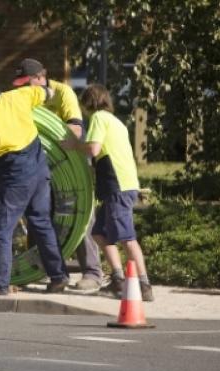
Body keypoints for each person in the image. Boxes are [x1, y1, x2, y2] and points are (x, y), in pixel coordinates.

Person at [0, 77, 70, 295]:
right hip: (40, 168)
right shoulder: (19, 95)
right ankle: (58, 276)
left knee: (1, 228)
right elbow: (47, 93)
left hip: (15, 174)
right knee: (41, 222)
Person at [12, 58, 104, 292]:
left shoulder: (63, 94)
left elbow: (75, 129)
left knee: (80, 214)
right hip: (40, 162)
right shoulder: (25, 96)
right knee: (38, 213)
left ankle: (92, 272)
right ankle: (42, 267)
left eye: (26, 83)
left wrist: (47, 138)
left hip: (68, 163)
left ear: (41, 78)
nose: (23, 88)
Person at [61, 83, 154, 301]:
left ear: (88, 102)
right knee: (99, 232)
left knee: (127, 238)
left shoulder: (99, 118)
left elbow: (93, 148)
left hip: (117, 185)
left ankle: (144, 284)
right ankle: (118, 280)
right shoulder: (117, 122)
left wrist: (73, 145)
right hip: (124, 183)